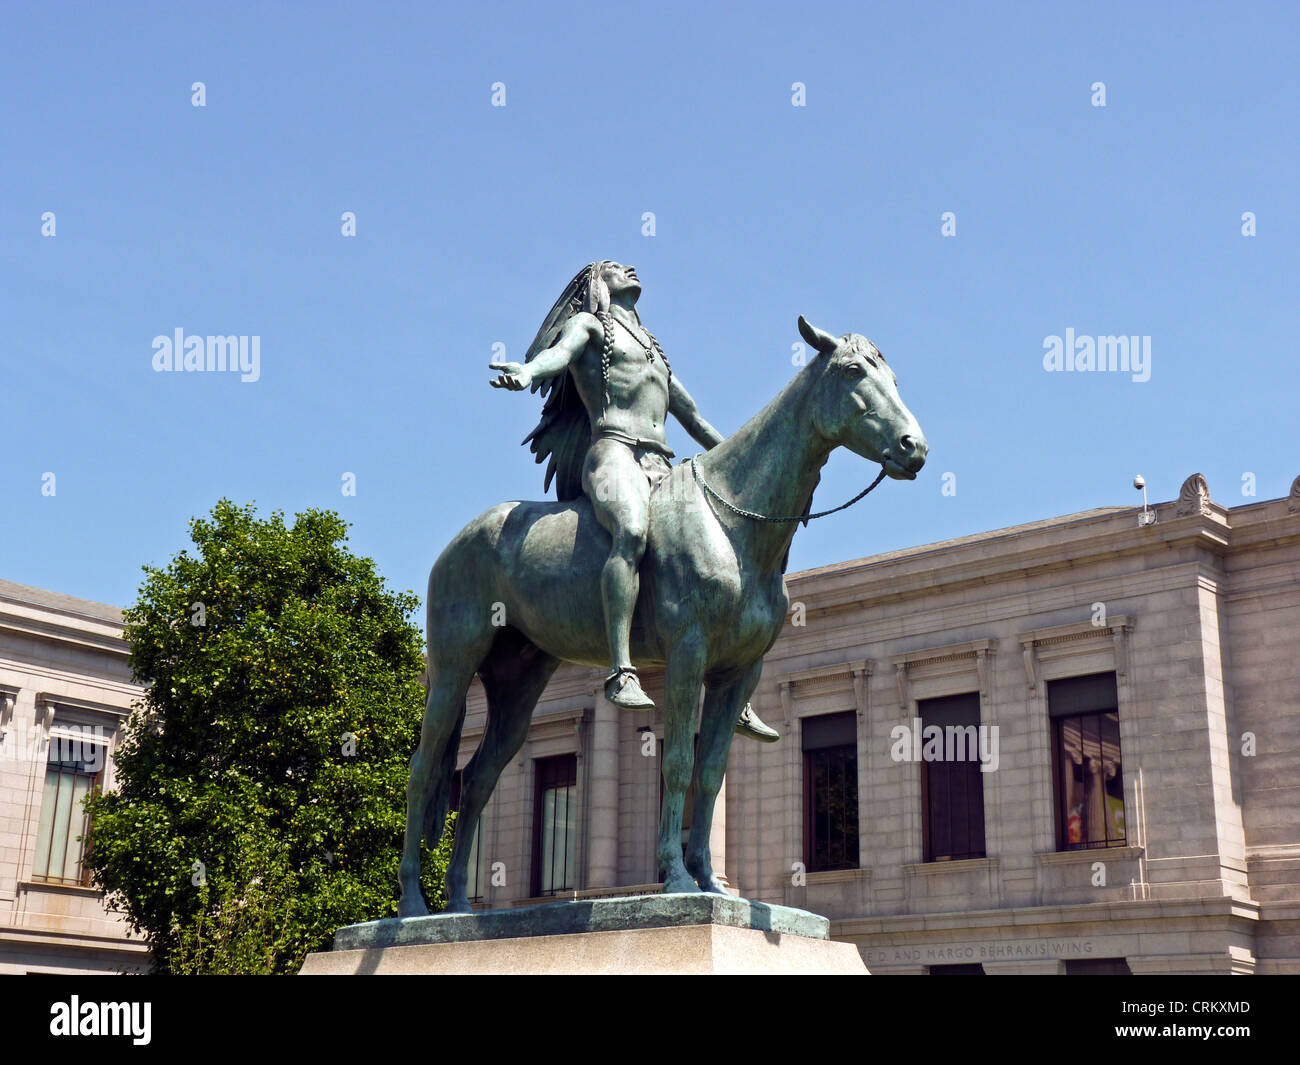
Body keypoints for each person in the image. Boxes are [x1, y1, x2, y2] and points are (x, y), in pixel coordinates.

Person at [490, 261, 778, 742]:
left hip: (663, 464)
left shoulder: (653, 353)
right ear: (597, 284)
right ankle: (621, 666)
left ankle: (735, 691)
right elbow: (557, 358)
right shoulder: (587, 327)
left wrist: (751, 469)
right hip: (612, 455)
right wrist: (526, 372)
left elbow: (695, 418)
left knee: (709, 550)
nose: (629, 267)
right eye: (613, 266)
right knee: (632, 530)